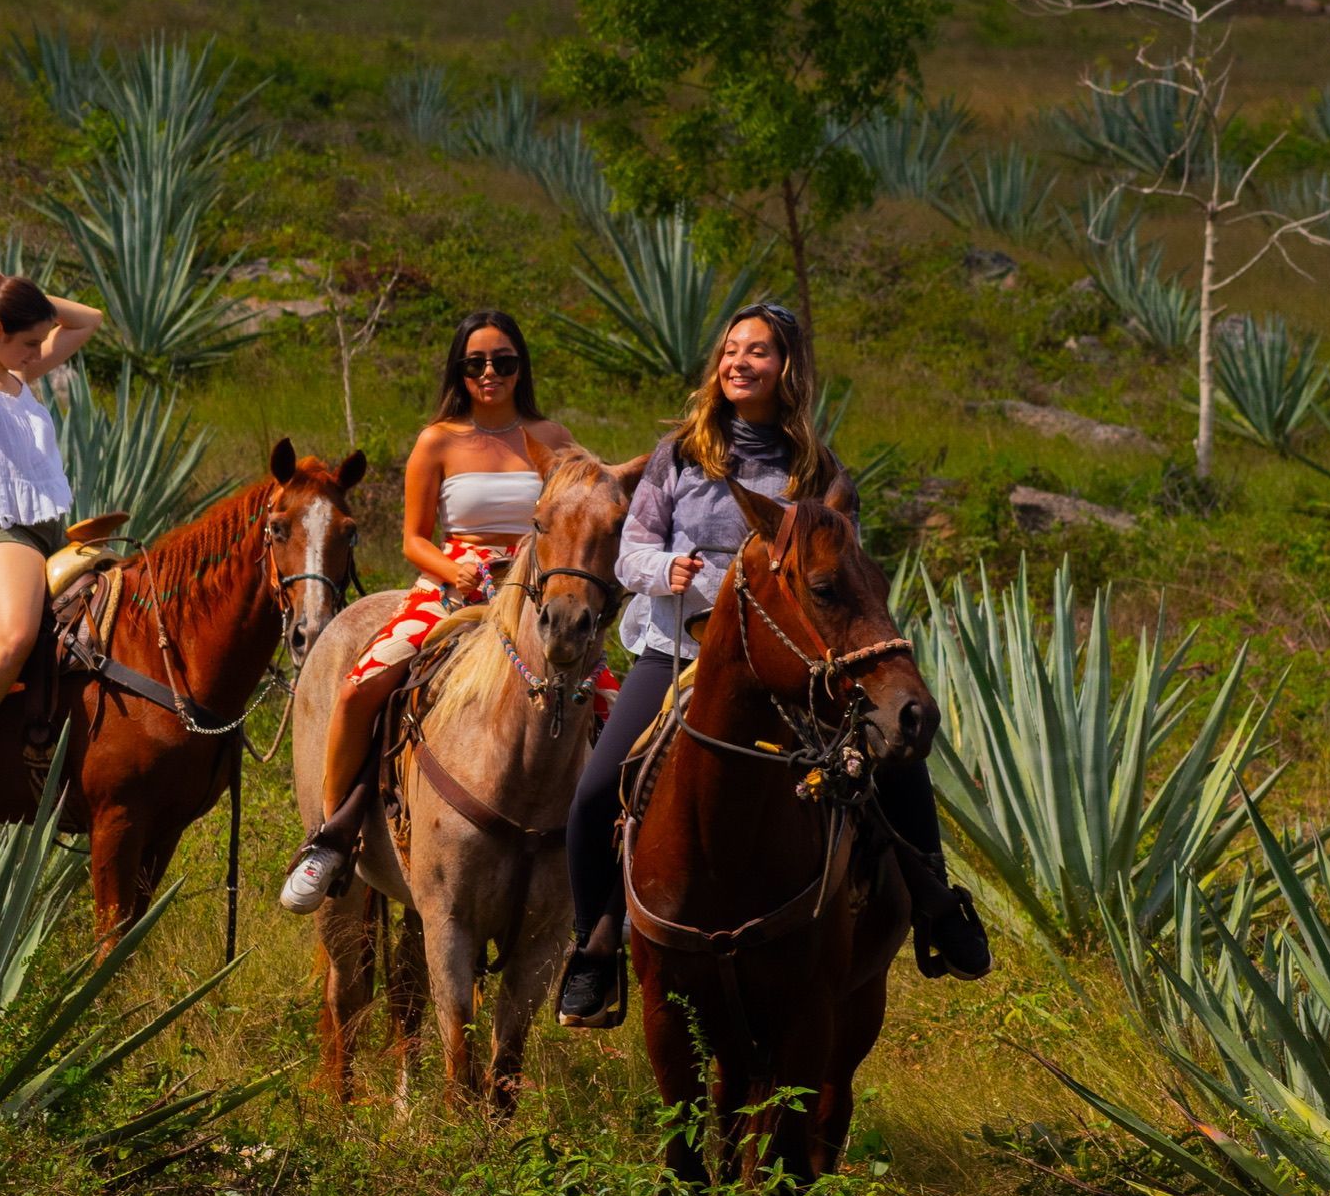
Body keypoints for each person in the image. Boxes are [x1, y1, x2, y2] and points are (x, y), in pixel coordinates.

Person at [556, 300, 990, 1028]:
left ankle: (935, 902)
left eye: (756, 351)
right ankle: (597, 945)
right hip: (682, 652)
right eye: (730, 350)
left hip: (791, 663)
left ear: (786, 368)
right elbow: (630, 553)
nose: (738, 362)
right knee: (599, 791)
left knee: (895, 763)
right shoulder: (680, 456)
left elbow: (839, 563)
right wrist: (673, 569)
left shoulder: (815, 468)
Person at [281, 307, 602, 912]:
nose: (489, 372)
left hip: (536, 594)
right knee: (359, 687)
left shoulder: (555, 440)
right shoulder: (438, 440)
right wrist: (452, 568)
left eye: (503, 361)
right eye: (475, 361)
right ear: (459, 367)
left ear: (520, 367)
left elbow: (581, 520)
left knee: (608, 702)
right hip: (456, 589)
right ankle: (333, 835)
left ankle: (612, 854)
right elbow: (412, 539)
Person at [0, 269, 104, 830]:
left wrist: (15, 288)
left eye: (40, 341)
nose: (40, 351)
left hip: (39, 530)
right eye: (29, 341)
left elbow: (89, 319)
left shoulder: (19, 373)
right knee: (14, 636)